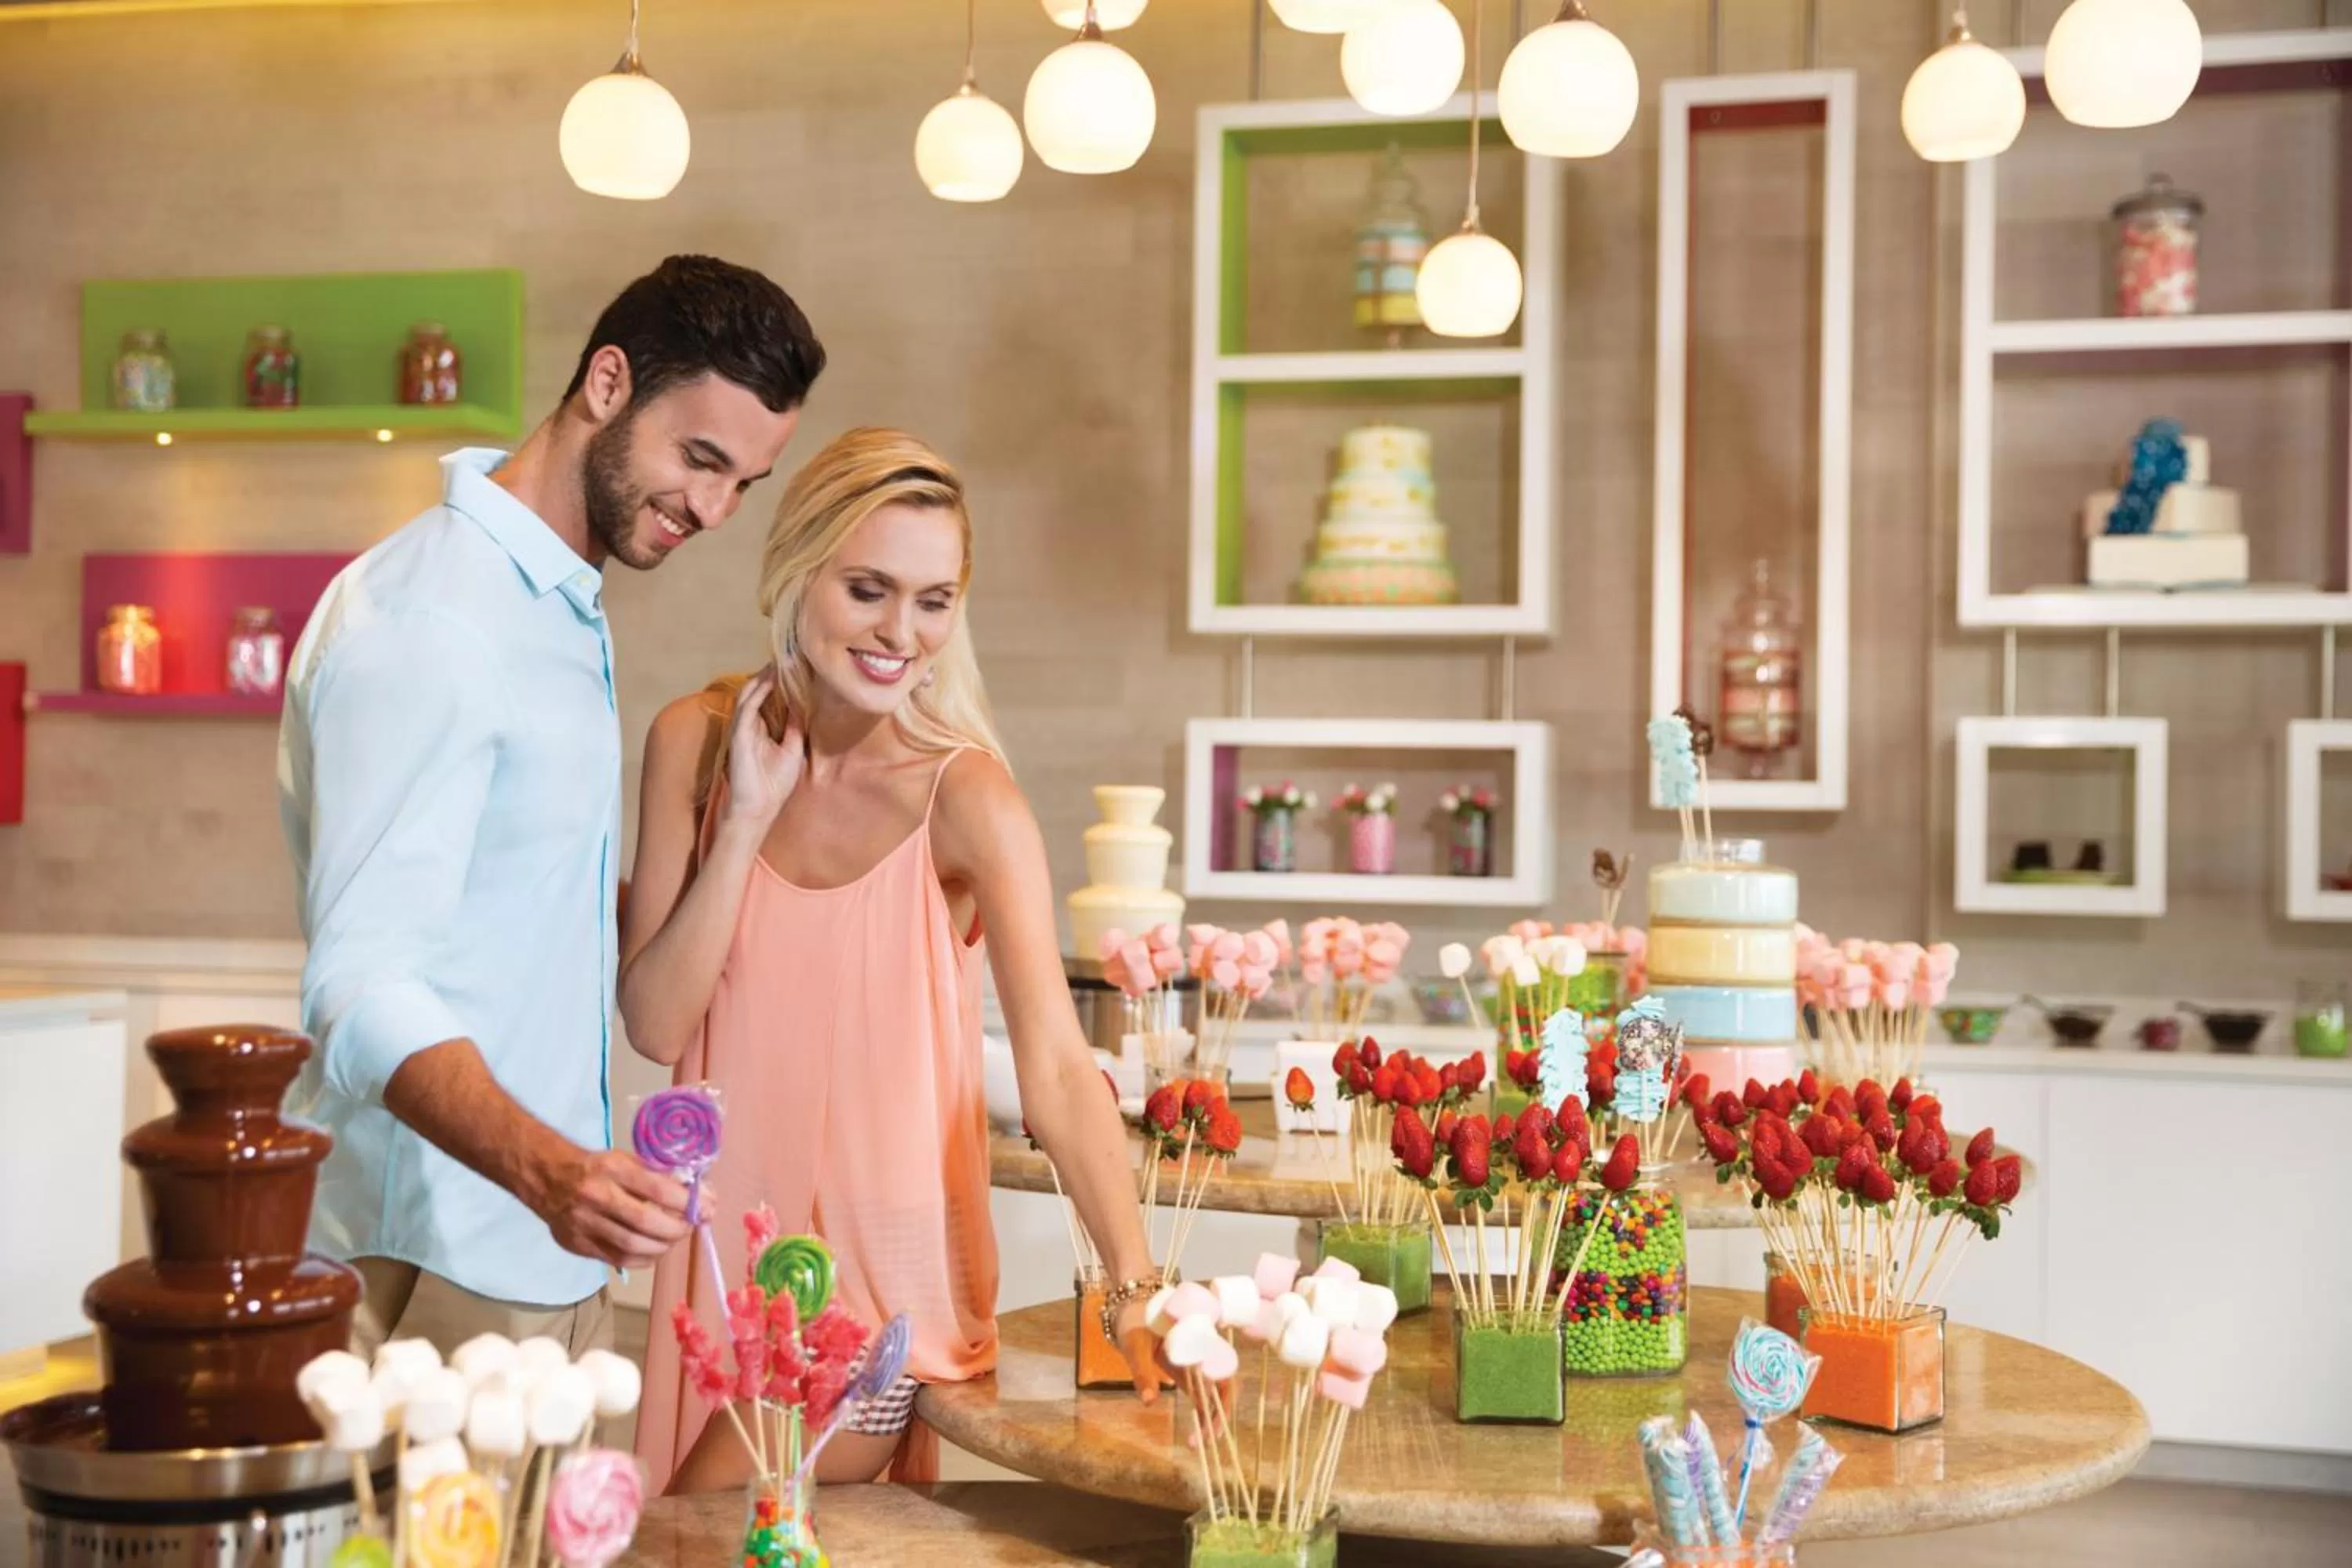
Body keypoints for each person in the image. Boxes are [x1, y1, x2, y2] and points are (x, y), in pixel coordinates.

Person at [278, 256, 826, 1359]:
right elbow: (359, 982)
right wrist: (550, 1170)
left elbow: (513, 899)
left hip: (544, 1244)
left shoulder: (557, 602)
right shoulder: (433, 618)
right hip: (429, 1255)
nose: (714, 510)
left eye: (743, 485)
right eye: (701, 459)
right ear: (609, 383)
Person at [622, 427, 1164, 1491]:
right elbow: (653, 1022)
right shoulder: (692, 742)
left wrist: (1136, 1286)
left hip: (884, 1323)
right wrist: (742, 825)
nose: (901, 634)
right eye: (868, 589)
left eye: (934, 599)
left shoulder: (970, 800)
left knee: (678, 1550)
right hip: (725, 1280)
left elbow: (1056, 1069)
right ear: (796, 572)